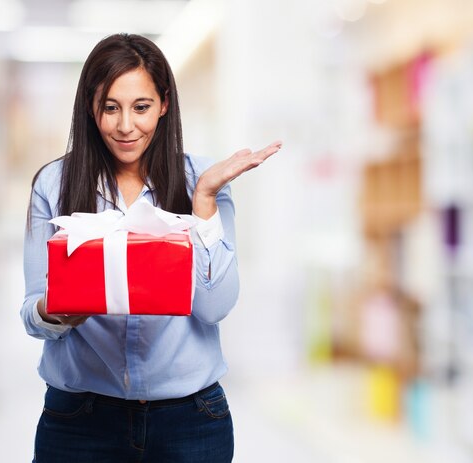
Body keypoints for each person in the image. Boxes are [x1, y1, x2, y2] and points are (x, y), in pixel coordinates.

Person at [21, 33, 281, 463]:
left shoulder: (204, 179)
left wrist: (203, 203)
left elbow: (215, 307)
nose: (126, 126)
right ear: (91, 107)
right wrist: (58, 311)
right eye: (111, 107)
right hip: (79, 422)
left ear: (163, 104)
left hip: (189, 422)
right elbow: (32, 312)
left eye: (141, 107)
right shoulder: (53, 185)